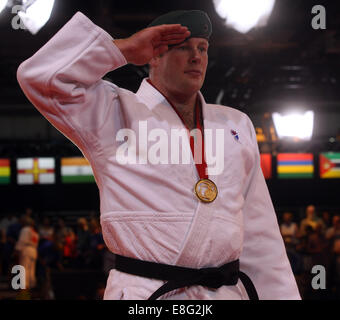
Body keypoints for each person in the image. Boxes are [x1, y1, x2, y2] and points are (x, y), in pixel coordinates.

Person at [17, 10, 300, 300]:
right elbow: (40, 77)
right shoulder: (113, 111)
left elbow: (260, 235)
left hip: (225, 293)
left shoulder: (235, 124)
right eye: (183, 48)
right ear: (153, 55)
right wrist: (124, 49)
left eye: (202, 48)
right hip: (148, 295)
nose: (196, 57)